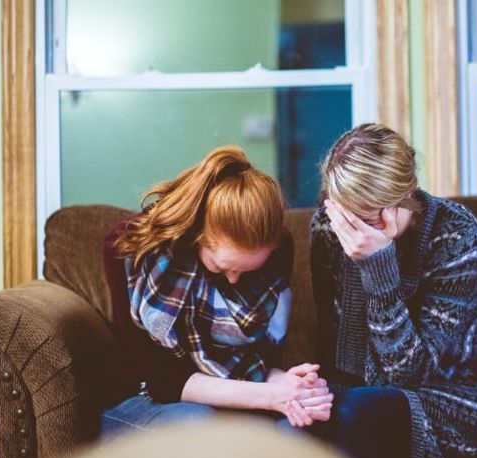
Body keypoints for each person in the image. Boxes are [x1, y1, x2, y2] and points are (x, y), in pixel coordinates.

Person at [310, 124, 477, 458]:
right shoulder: (330, 228)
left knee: (359, 412)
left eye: (368, 218)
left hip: (459, 391)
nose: (352, 231)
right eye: (345, 215)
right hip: (366, 388)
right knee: (307, 418)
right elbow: (337, 347)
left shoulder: (456, 234)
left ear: (404, 197)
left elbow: (407, 376)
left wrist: (379, 267)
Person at [101, 146, 332, 437]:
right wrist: (272, 397)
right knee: (202, 426)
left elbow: (259, 363)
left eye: (247, 270)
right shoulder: (129, 249)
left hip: (231, 396)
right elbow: (161, 380)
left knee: (296, 431)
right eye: (223, 268)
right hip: (142, 398)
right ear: (198, 236)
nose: (234, 281)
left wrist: (293, 387)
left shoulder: (277, 253)